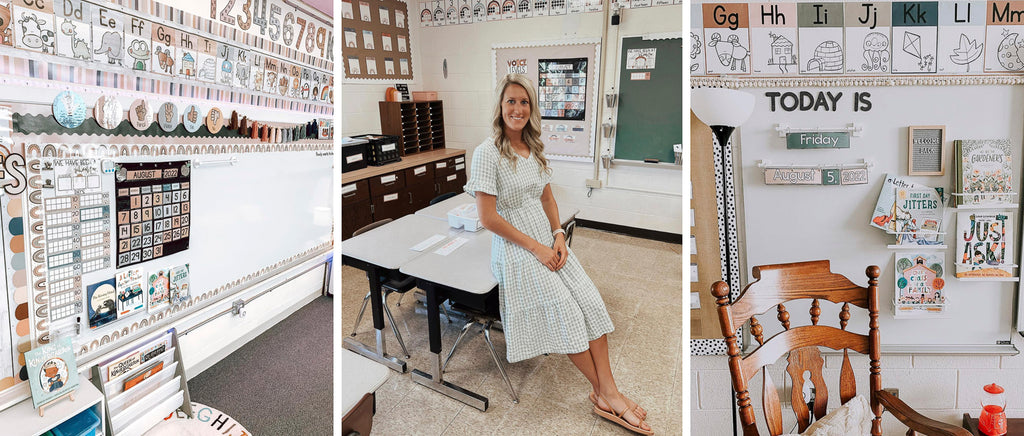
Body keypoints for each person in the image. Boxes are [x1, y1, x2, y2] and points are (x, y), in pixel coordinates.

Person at [463, 74, 653, 435]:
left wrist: (558, 235)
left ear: (531, 109)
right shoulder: (487, 152)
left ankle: (607, 391)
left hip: (546, 239)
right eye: (511, 102)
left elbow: (547, 198)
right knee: (566, 314)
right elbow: (487, 218)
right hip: (517, 249)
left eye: (524, 102)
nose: (517, 109)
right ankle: (605, 394)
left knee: (592, 305)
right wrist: (536, 248)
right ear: (500, 107)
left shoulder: (532, 148)